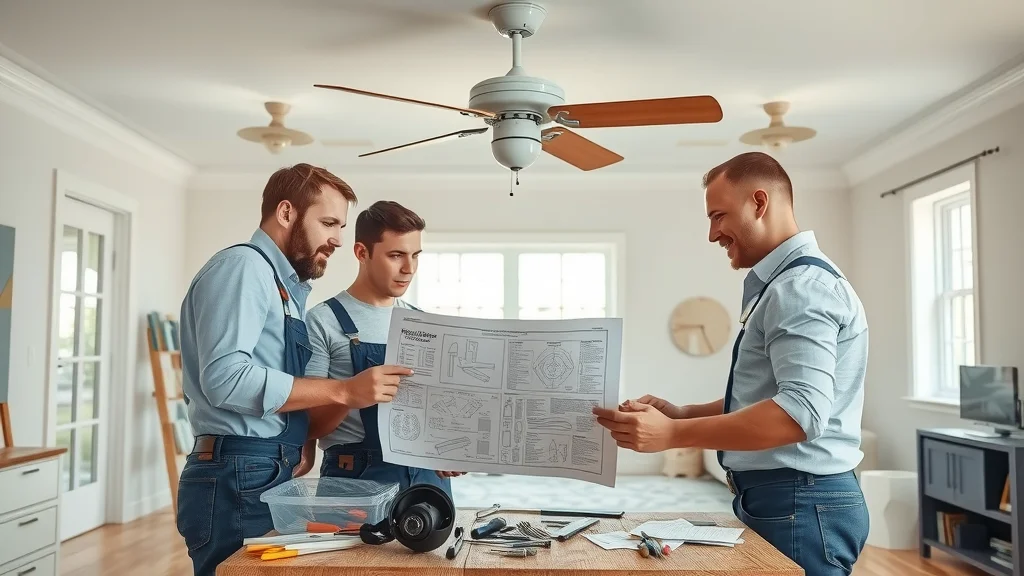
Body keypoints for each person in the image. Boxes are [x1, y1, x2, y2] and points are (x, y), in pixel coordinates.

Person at [593, 152, 870, 575]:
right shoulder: (787, 284)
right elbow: (773, 394)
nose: (712, 234)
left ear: (759, 203)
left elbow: (798, 414)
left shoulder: (799, 288)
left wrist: (674, 433)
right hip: (791, 501)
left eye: (718, 215)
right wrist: (683, 412)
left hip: (800, 502)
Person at [175, 165, 413, 576]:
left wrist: (299, 433)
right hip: (238, 471)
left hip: (261, 468)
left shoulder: (284, 287)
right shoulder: (243, 267)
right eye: (328, 223)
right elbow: (225, 378)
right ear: (286, 213)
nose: (338, 238)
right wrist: (342, 392)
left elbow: (268, 378)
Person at [303, 200, 463, 497]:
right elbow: (310, 426)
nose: (409, 268)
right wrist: (351, 394)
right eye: (396, 255)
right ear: (362, 253)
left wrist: (448, 449)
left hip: (428, 483)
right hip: (354, 479)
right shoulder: (322, 321)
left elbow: (442, 412)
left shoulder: (425, 323)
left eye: (416, 255)